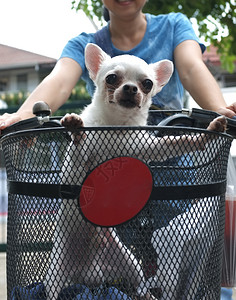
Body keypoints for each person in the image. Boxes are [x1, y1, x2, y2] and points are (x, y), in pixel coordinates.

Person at [0, 1, 234, 299]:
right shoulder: (86, 45)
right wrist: (23, 115)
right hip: (108, 214)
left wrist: (218, 113)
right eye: (114, 80)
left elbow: (190, 68)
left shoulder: (174, 25)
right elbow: (58, 82)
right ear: (97, 73)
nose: (130, 88)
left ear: (153, 86)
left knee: (189, 279)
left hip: (176, 190)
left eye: (144, 85)